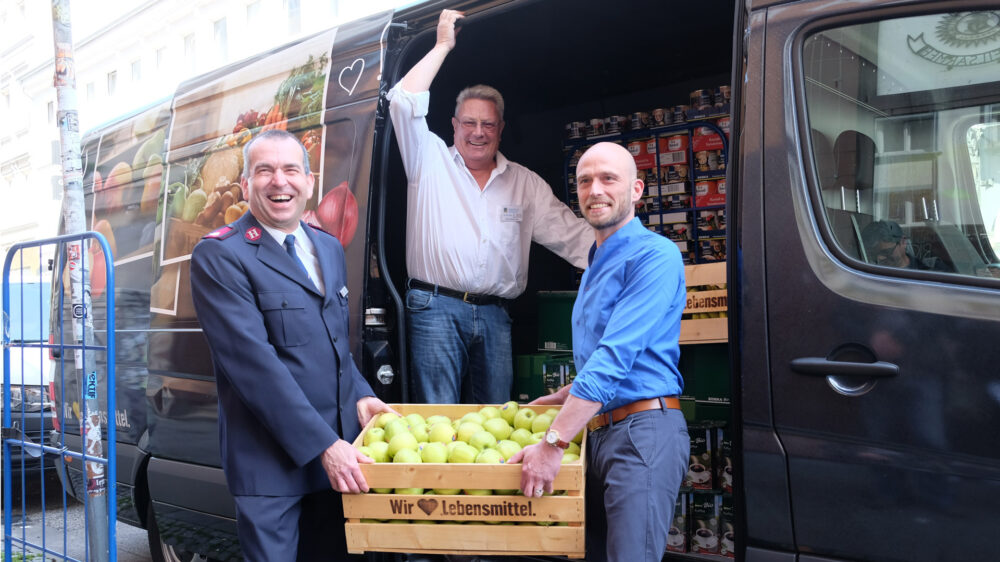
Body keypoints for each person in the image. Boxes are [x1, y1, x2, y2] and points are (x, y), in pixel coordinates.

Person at [189, 129, 393, 560]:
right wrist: (324, 445)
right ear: (246, 185)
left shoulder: (328, 247)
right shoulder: (221, 256)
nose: (279, 182)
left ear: (309, 181)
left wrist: (361, 393)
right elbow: (254, 366)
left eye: (290, 170)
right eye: (264, 171)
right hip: (272, 471)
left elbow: (336, 343)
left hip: (338, 458)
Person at [387, 9, 593, 405]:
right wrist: (443, 44)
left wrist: (636, 258)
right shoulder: (427, 160)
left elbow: (574, 237)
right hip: (435, 309)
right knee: (437, 419)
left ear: (500, 129)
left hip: (497, 315)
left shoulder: (525, 183)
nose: (477, 132)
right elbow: (402, 102)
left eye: (488, 124)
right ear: (453, 125)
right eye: (469, 123)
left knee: (496, 417)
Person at [510, 142, 690, 562]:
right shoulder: (596, 259)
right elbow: (619, 358)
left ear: (636, 190)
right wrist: (571, 392)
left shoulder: (655, 255)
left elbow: (614, 356)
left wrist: (552, 443)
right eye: (585, 181)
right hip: (600, 434)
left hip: (642, 433)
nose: (595, 190)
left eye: (609, 178)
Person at [860, 219, 950, 271]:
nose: (880, 258)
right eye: (874, 255)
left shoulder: (932, 269)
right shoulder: (871, 276)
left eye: (886, 252)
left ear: (903, 242)